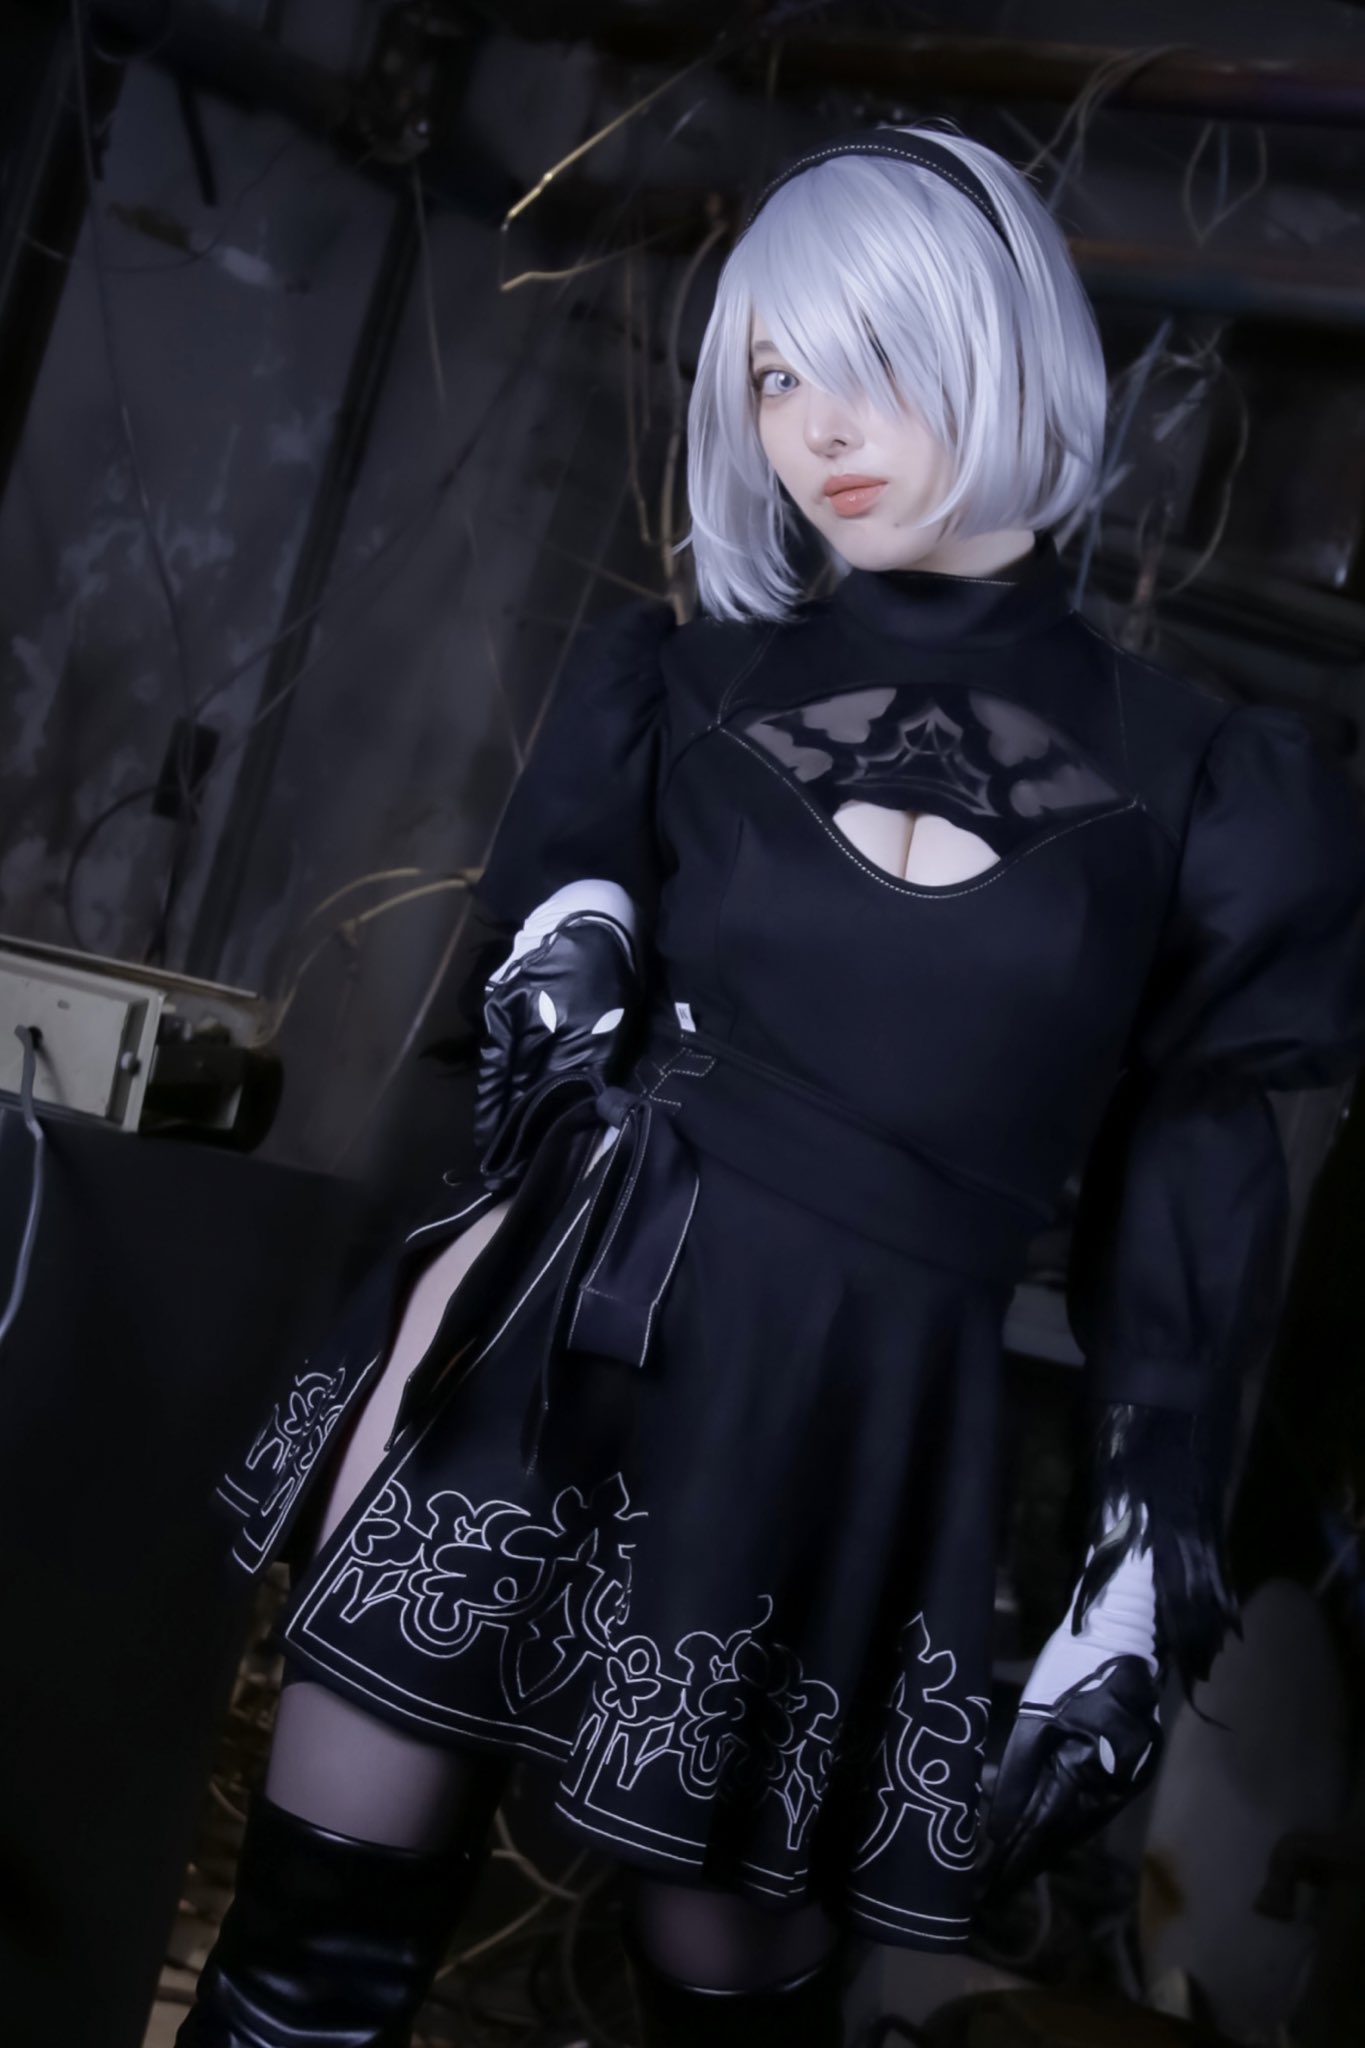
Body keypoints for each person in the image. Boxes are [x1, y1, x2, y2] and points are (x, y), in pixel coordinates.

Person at [178, 126, 1365, 2048]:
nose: (817, 426)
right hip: (557, 1348)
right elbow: (546, 969)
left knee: (734, 2008)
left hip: (847, 1426)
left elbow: (1188, 1202)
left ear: (998, 344)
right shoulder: (676, 683)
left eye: (870, 358)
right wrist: (567, 950)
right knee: (302, 1972)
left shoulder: (1211, 785)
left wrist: (1142, 1561)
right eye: (773, 374)